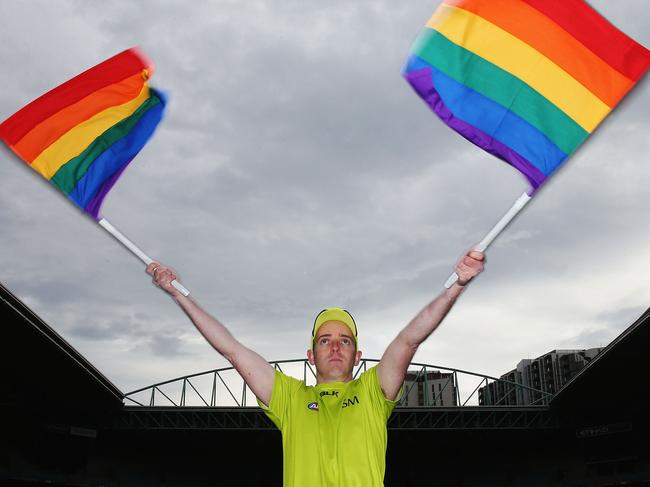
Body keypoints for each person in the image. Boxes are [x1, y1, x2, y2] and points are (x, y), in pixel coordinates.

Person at [147, 250, 484, 486]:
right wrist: (178, 295)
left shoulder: (372, 391)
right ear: (310, 354)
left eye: (345, 341)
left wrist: (456, 285)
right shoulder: (289, 399)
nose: (335, 347)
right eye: (325, 340)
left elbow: (409, 340)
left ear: (358, 355)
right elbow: (232, 350)